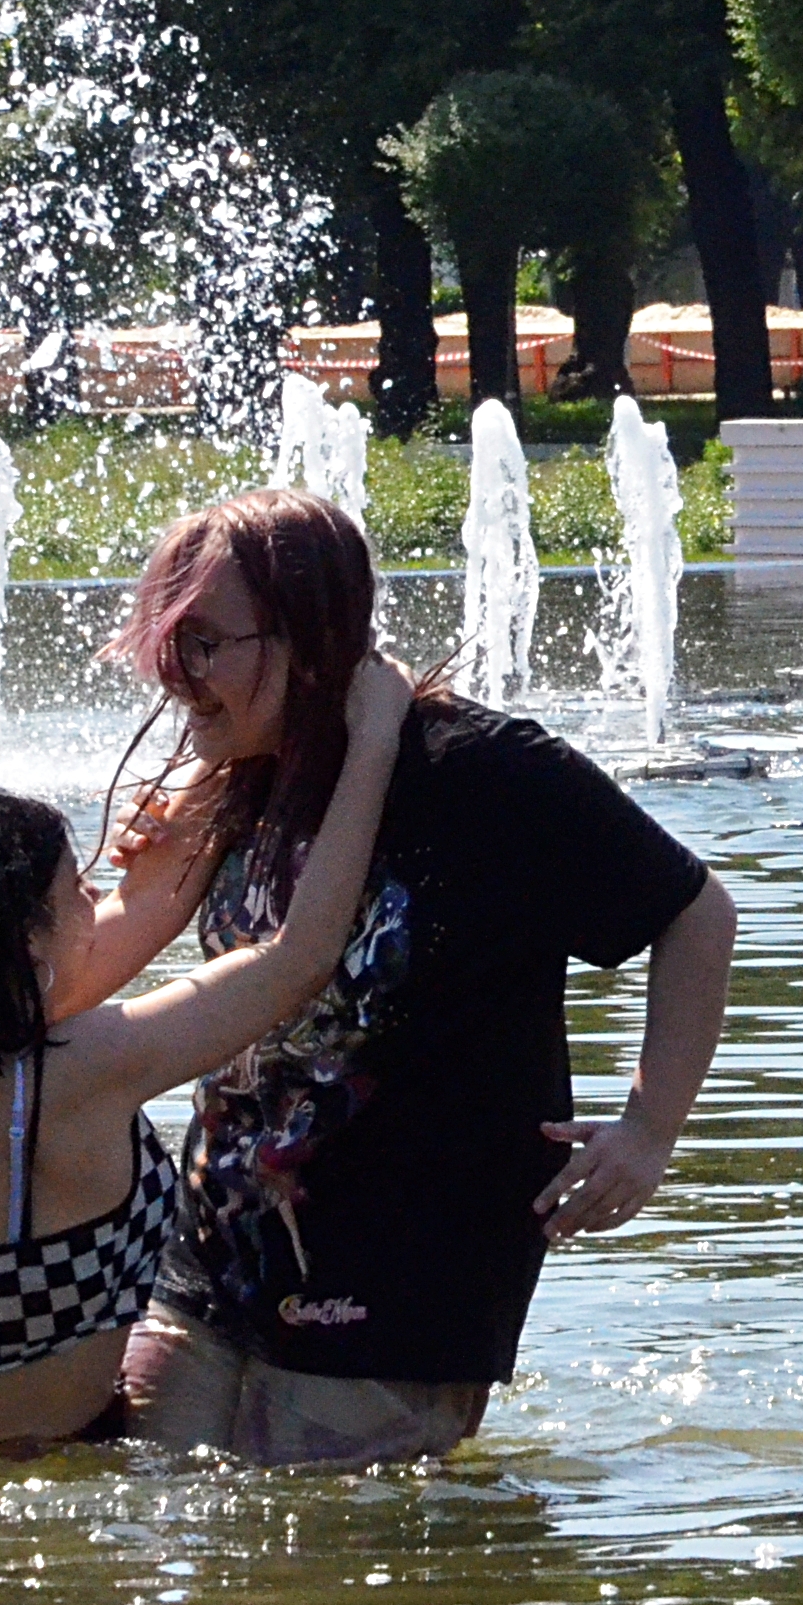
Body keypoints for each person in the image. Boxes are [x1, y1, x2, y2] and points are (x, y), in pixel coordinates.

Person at [114, 486, 736, 1466]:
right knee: (136, 1520)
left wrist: (648, 1129)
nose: (171, 674)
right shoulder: (242, 769)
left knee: (311, 1567)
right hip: (212, 1266)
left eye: (203, 644)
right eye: (165, 640)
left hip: (406, 1282)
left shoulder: (484, 774)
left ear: (308, 640)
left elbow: (696, 915)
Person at [0, 640, 414, 1450]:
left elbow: (131, 917)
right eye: (75, 888)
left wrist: (218, 757)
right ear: (26, 944)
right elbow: (299, 957)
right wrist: (374, 741)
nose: (96, 895)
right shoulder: (83, 1070)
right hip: (44, 1465)